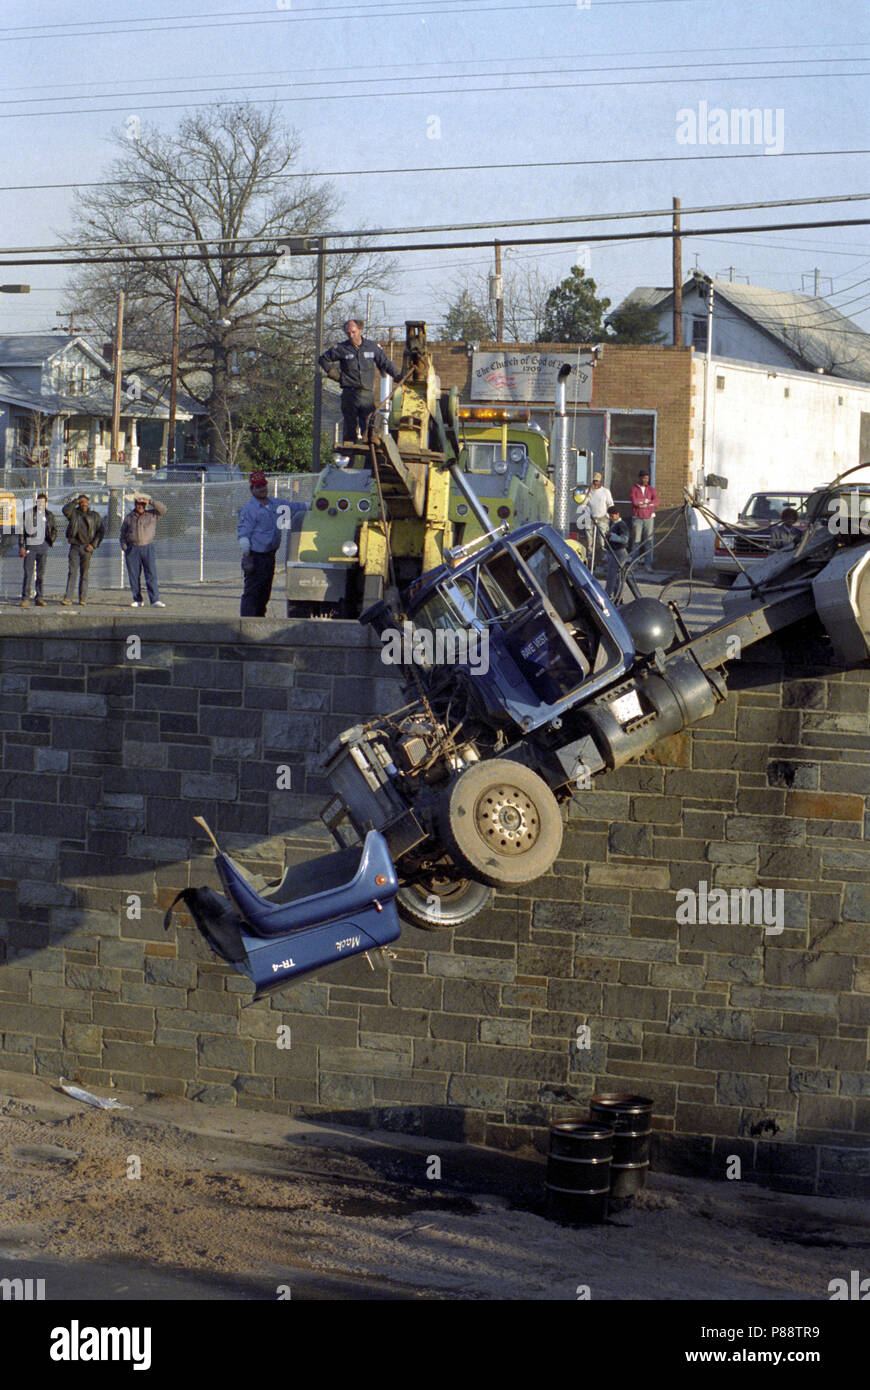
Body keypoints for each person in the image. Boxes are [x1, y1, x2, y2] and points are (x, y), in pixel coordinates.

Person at [318, 318, 402, 443]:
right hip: (349, 393)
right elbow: (323, 359)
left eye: (353, 332)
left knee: (369, 427)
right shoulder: (341, 348)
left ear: (360, 330)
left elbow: (385, 363)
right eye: (348, 333)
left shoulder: (372, 347)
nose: (351, 335)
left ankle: (369, 454)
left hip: (366, 394)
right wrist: (336, 376)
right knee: (349, 426)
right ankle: (348, 456)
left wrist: (397, 376)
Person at [238, 470, 306, 617]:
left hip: (269, 556)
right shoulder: (249, 509)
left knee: (265, 591)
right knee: (252, 593)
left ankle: (259, 620)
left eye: (263, 485)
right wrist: (246, 555)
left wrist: (314, 505)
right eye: (258, 486)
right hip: (256, 556)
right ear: (252, 489)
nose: (262, 488)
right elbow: (244, 533)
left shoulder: (276, 504)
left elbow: (295, 507)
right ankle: (247, 622)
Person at [120, 492, 167, 608]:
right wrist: (125, 546)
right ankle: (137, 599)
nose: (140, 506)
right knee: (134, 575)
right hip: (133, 549)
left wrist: (150, 501)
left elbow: (163, 509)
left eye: (142, 504)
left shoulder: (152, 515)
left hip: (147, 548)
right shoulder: (129, 518)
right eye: (138, 504)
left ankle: (154, 600)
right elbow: (123, 533)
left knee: (151, 574)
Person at [61, 493, 105, 606]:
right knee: (72, 573)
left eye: (85, 501)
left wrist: (93, 545)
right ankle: (68, 598)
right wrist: (75, 501)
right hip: (75, 546)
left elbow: (101, 531)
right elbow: (65, 510)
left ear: (88, 503)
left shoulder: (94, 516)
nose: (83, 504)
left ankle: (82, 598)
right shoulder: (74, 513)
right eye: (81, 502)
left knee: (84, 573)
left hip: (87, 547)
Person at [18, 492, 57, 607]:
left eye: (43, 502)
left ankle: (39, 597)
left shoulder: (49, 515)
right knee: (28, 573)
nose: (41, 504)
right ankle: (25, 598)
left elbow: (54, 529)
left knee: (40, 574)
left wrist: (50, 540)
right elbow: (21, 531)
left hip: (43, 547)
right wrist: (22, 546)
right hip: (31, 546)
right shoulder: (28, 514)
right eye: (39, 502)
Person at [630, 469, 659, 572]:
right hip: (637, 518)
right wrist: (645, 501)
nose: (646, 480)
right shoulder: (634, 488)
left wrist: (647, 503)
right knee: (636, 541)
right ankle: (634, 564)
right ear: (640, 478)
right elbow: (635, 501)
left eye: (647, 478)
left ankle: (648, 565)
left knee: (648, 542)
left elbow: (656, 501)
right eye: (644, 478)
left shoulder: (651, 489)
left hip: (649, 518)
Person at [585, 473, 614, 569]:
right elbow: (583, 503)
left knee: (602, 541)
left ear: (600, 481)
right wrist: (589, 491)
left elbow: (610, 504)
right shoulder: (589, 492)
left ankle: (604, 561)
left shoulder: (605, 491)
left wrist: (608, 516)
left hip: (602, 518)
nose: (595, 482)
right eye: (594, 480)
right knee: (589, 542)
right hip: (590, 518)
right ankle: (590, 561)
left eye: (597, 480)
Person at [604, 505, 630, 599]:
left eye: (612, 516)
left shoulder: (621, 525)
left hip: (620, 552)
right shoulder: (613, 524)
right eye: (609, 516)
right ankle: (615, 596)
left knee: (614, 575)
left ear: (617, 514)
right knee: (613, 575)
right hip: (614, 552)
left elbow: (624, 539)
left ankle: (613, 596)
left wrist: (612, 536)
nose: (611, 518)